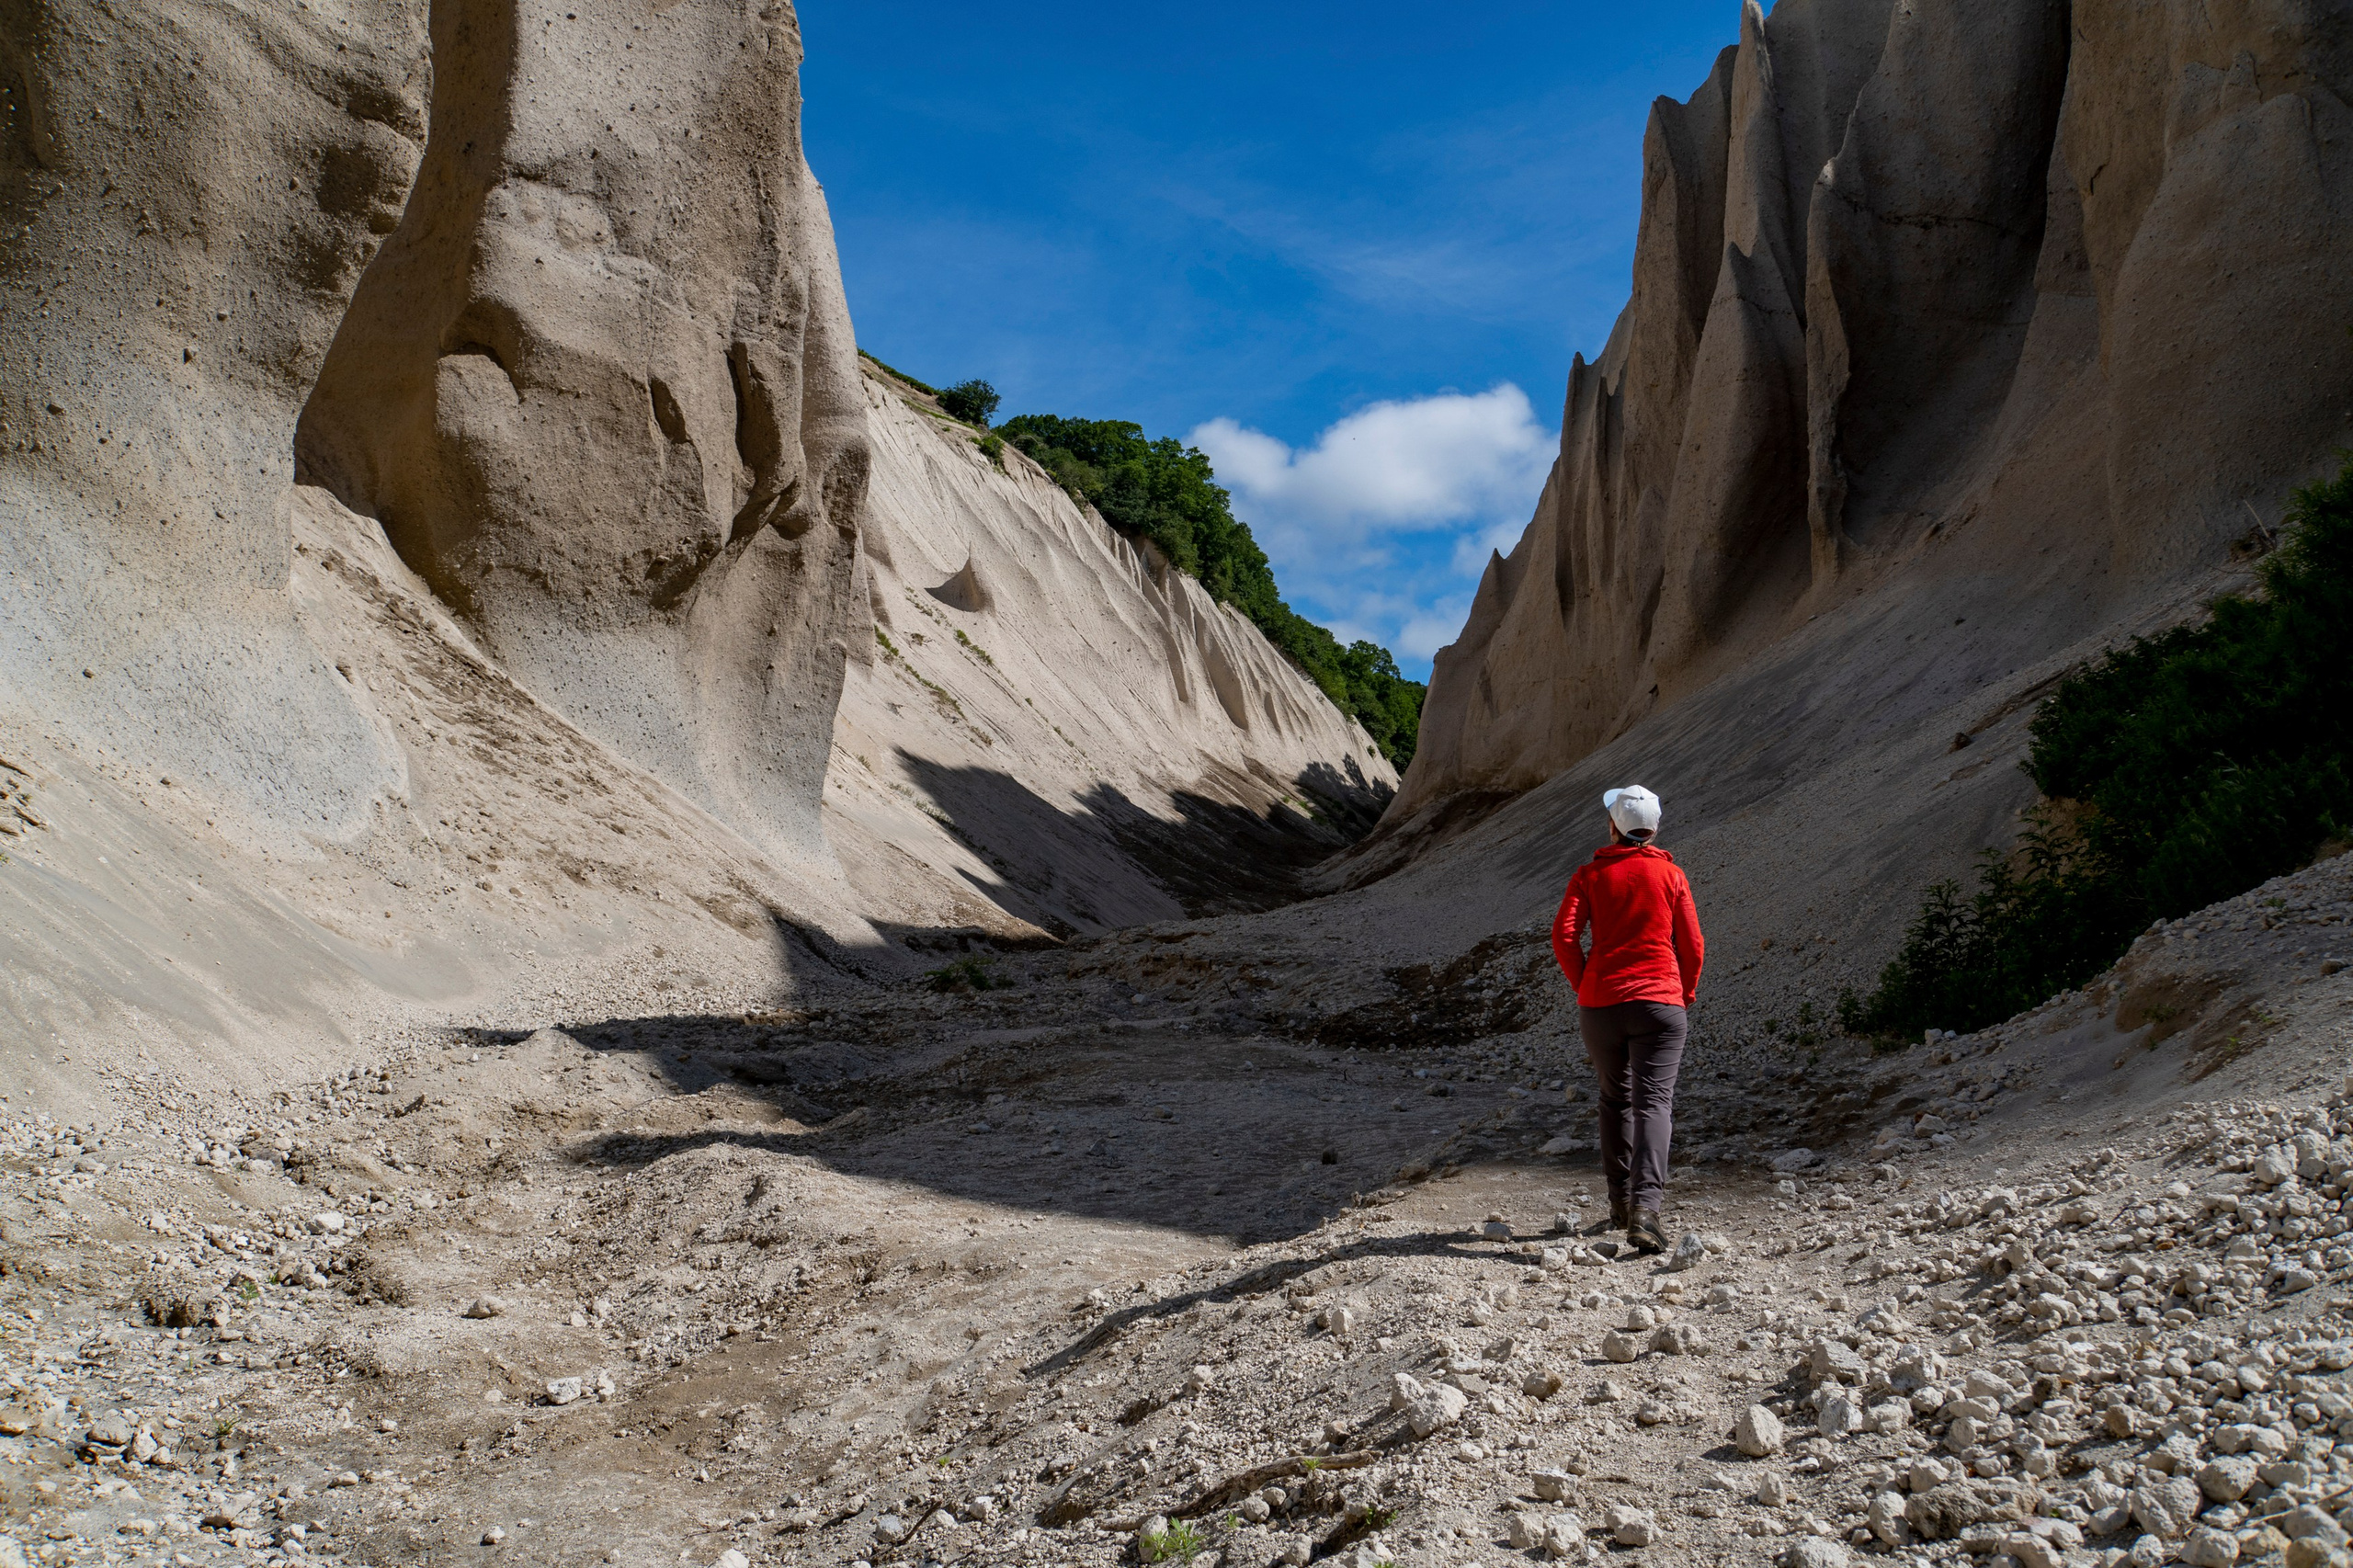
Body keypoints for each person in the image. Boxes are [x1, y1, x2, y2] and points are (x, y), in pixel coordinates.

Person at [1550, 784, 1704, 1256]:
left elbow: (1563, 937)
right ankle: (1646, 1212)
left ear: (1614, 827)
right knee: (1653, 1103)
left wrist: (1585, 985)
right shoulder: (1672, 876)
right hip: (1660, 1000)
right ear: (1654, 829)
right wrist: (1686, 991)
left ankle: (1619, 1202)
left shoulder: (1589, 875)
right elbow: (1693, 944)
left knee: (1614, 1099)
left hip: (1600, 1005)